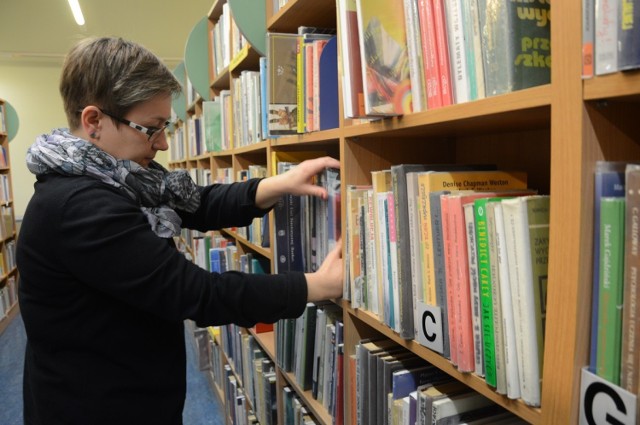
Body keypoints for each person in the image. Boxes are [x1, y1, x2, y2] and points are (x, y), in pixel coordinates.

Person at [15, 37, 343, 425]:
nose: (164, 142)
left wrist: (272, 186)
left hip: (125, 389)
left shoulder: (121, 177)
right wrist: (314, 287)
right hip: (98, 405)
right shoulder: (80, 206)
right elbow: (196, 293)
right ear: (94, 121)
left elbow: (193, 202)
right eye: (151, 129)